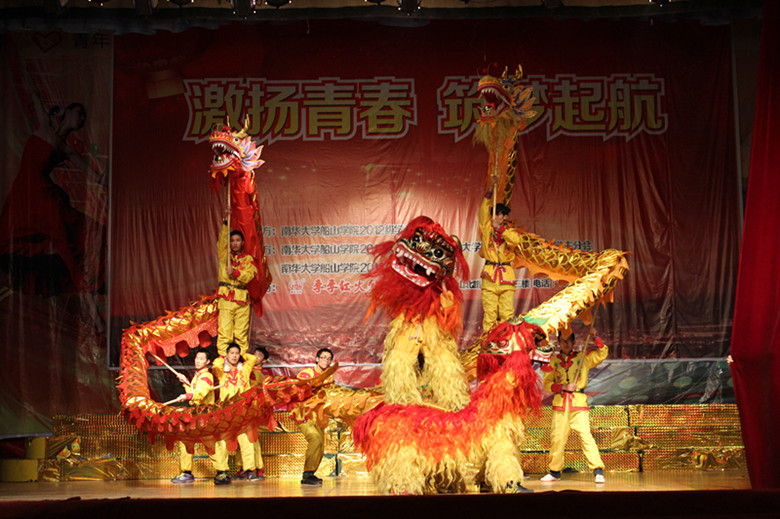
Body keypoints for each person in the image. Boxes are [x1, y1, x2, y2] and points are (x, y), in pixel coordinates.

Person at [0, 71, 107, 297]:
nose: (81, 119)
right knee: (13, 238)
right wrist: (27, 75)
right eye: (79, 113)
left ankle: (84, 289)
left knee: (67, 240)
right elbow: (35, 96)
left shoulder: (67, 149)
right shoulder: (45, 128)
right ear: (67, 112)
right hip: (23, 193)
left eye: (83, 118)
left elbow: (93, 176)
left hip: (42, 197)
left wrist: (110, 181)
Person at [540, 327, 608, 484]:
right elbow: (547, 384)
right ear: (558, 342)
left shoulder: (583, 357)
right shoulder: (553, 361)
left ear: (573, 342)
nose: (566, 344)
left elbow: (602, 353)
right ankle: (555, 471)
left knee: (586, 437)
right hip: (560, 405)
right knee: (557, 438)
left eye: (569, 341)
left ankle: (598, 470)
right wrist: (563, 387)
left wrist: (595, 337)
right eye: (563, 341)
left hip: (578, 404)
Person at [169, 348, 225, 484]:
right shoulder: (198, 376)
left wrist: (187, 395)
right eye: (197, 358)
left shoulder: (206, 376)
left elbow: (199, 394)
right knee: (186, 441)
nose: (198, 361)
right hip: (197, 415)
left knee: (211, 444)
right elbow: (194, 393)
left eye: (201, 359)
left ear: (207, 361)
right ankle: (187, 472)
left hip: (205, 416)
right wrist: (185, 382)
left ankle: (222, 473)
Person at [478, 176, 521, 334]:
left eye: (499, 214)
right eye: (494, 214)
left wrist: (500, 229)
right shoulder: (486, 229)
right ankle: (488, 342)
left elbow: (515, 241)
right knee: (489, 314)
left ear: (505, 217)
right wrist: (490, 189)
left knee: (506, 314)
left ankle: (506, 341)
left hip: (506, 277)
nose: (495, 217)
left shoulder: (511, 232)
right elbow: (483, 211)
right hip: (490, 276)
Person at [211, 342, 260, 483]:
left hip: (243, 412)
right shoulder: (222, 371)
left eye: (236, 353)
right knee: (223, 441)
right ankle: (222, 471)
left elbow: (253, 359)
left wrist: (242, 354)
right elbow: (215, 364)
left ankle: (250, 470)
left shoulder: (244, 369)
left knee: (246, 441)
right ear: (227, 355)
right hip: (226, 412)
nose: (234, 356)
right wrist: (224, 358)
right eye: (231, 353)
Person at [293, 348, 335, 486]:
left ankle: (310, 474)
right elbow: (299, 391)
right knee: (315, 438)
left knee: (320, 445)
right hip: (304, 413)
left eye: (328, 359)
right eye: (323, 357)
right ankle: (308, 474)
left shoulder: (330, 377)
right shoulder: (306, 374)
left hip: (319, 415)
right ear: (317, 359)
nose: (325, 360)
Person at [216, 220, 257, 357]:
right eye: (232, 240)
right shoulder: (224, 255)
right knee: (225, 332)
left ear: (242, 242)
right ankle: (223, 360)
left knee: (241, 333)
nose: (234, 243)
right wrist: (226, 223)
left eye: (237, 240)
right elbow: (222, 242)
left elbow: (249, 276)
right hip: (226, 298)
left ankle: (241, 360)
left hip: (241, 299)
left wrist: (235, 272)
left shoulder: (248, 259)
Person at [247, 345, 270, 479]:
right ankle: (253, 467)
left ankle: (255, 467)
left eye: (259, 356)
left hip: (252, 409)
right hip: (247, 408)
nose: (255, 357)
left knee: (251, 438)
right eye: (254, 354)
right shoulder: (251, 370)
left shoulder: (256, 374)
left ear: (264, 361)